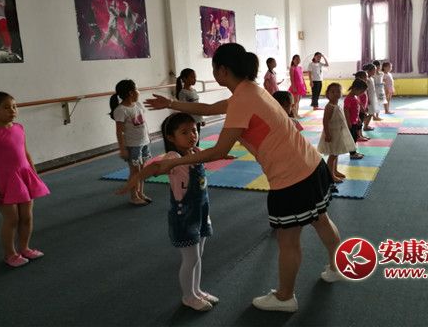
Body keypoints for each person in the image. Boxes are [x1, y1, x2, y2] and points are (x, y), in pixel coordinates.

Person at [144, 43, 344, 313]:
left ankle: (285, 297)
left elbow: (219, 151)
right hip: (310, 163)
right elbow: (212, 108)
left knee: (288, 240)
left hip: (291, 178)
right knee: (321, 219)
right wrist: (170, 103)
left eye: (214, 68)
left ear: (222, 70)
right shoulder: (251, 90)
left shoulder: (241, 99)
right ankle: (338, 266)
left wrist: (175, 161)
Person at [117, 112, 217, 311]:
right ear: (171, 137)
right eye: (184, 132)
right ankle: (188, 296)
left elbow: (214, 153)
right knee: (191, 258)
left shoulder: (196, 151)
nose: (192, 135)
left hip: (201, 212)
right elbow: (153, 168)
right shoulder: (173, 158)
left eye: (194, 130)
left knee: (199, 255)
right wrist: (133, 182)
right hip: (184, 216)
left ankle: (197, 290)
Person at [0, 90, 50, 267]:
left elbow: (26, 153)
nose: (12, 110)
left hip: (24, 176)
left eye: (14, 106)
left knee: (27, 217)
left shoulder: (19, 128)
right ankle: (10, 254)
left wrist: (34, 175)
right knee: (12, 219)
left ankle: (24, 248)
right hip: (5, 180)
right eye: (6, 107)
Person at [109, 79, 152, 205]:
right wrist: (122, 148)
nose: (139, 92)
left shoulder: (138, 105)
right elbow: (119, 132)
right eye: (137, 89)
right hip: (133, 146)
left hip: (144, 143)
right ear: (131, 93)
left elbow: (144, 123)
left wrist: (148, 137)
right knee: (135, 172)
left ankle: (140, 193)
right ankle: (134, 196)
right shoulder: (121, 110)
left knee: (142, 170)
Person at [318, 83, 356, 182]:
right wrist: (327, 134)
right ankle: (330, 175)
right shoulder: (329, 106)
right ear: (327, 94)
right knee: (333, 154)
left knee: (336, 152)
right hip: (332, 134)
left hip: (338, 134)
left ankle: (334, 171)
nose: (335, 93)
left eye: (338, 91)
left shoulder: (337, 105)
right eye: (332, 92)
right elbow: (325, 121)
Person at [176, 68, 205, 143]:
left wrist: (201, 119)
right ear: (184, 79)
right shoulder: (183, 93)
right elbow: (183, 108)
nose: (195, 79)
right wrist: (186, 122)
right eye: (192, 77)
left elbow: (198, 106)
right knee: (192, 139)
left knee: (197, 138)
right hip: (190, 121)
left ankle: (196, 149)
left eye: (195, 77)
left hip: (197, 119)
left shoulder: (194, 90)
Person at [343, 80, 368, 160]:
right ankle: (352, 153)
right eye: (361, 91)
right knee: (352, 138)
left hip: (355, 121)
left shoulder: (355, 97)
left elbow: (356, 110)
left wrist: (359, 119)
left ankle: (354, 152)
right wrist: (348, 122)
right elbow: (346, 110)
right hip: (351, 122)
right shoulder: (348, 98)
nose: (362, 93)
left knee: (355, 137)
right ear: (355, 88)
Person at [353, 71, 371, 141]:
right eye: (366, 76)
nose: (367, 78)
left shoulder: (363, 85)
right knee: (359, 123)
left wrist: (366, 106)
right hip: (359, 109)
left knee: (361, 122)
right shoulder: (358, 87)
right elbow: (358, 100)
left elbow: (365, 97)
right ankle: (358, 136)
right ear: (360, 77)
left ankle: (361, 135)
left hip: (363, 108)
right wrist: (362, 108)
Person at [288, 54, 307, 118]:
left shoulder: (300, 68)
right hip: (295, 86)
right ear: (293, 60)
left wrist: (305, 85)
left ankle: (297, 114)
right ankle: (294, 114)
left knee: (298, 101)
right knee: (295, 101)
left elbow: (302, 77)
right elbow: (292, 78)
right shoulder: (292, 68)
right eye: (296, 59)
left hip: (301, 86)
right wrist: (293, 87)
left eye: (299, 59)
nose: (298, 60)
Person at [363, 64, 380, 128]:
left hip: (372, 97)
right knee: (371, 112)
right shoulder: (367, 79)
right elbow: (366, 90)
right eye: (374, 70)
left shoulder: (371, 78)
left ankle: (366, 125)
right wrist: (368, 99)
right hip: (369, 98)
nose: (375, 71)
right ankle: (365, 126)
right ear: (369, 71)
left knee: (371, 112)